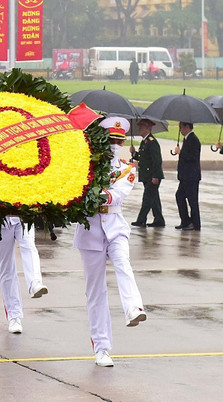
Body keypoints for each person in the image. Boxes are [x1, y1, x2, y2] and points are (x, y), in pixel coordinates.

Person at [74, 117, 146, 367]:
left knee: (124, 264)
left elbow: (117, 195)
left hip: (115, 226)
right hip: (90, 230)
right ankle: (101, 348)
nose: (115, 145)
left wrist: (98, 194)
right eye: (111, 140)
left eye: (119, 141)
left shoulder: (127, 168)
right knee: (96, 292)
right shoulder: (84, 165)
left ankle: (133, 308)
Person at [0, 215, 48, 334]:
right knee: (7, 265)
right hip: (0, 218)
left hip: (23, 213)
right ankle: (14, 316)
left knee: (29, 246)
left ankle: (35, 282)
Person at [130, 118, 165, 227]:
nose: (140, 129)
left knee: (147, 199)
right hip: (147, 176)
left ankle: (141, 220)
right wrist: (134, 153)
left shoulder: (152, 142)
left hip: (152, 176)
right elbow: (143, 158)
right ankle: (159, 219)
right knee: (154, 199)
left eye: (142, 127)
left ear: (148, 128)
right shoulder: (144, 141)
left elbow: (157, 160)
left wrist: (155, 176)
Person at [174, 122, 201, 230]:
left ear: (187, 127)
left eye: (181, 127)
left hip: (191, 176)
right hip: (185, 176)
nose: (180, 130)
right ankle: (186, 221)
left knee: (192, 200)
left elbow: (193, 157)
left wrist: (181, 152)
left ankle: (195, 223)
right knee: (179, 196)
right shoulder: (186, 139)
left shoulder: (193, 139)